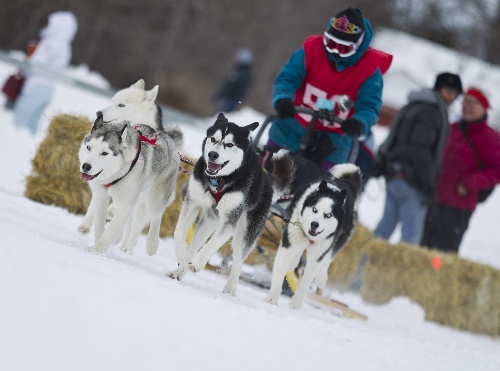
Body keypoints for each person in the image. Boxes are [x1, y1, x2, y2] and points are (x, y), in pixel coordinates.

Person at [264, 7, 392, 189]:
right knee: (269, 178)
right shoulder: (310, 52)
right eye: (331, 44)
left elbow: (370, 107)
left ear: (358, 46)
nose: (336, 53)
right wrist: (283, 98)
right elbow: (287, 78)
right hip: (292, 128)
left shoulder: (370, 72)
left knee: (315, 189)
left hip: (334, 141)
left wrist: (359, 122)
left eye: (344, 48)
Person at [371, 72, 463, 244]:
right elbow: (419, 150)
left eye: (455, 93)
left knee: (384, 230)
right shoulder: (431, 111)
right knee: (410, 238)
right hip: (412, 181)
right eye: (449, 90)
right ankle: (393, 271)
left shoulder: (414, 104)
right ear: (439, 87)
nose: (452, 96)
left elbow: (394, 138)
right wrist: (429, 183)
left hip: (394, 175)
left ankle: (362, 267)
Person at [421, 87, 500, 253]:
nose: (467, 106)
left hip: (458, 207)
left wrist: (470, 183)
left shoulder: (490, 137)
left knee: (443, 253)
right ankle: (417, 279)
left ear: (483, 108)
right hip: (434, 199)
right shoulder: (452, 128)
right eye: (465, 101)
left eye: (473, 102)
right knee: (421, 247)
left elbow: (496, 170)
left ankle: (438, 279)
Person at [14, 11, 78, 135]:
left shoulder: (51, 43)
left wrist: (30, 56)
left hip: (35, 86)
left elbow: (36, 63)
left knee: (21, 122)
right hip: (48, 89)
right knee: (32, 125)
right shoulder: (65, 47)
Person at [212, 48, 253, 113]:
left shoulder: (243, 74)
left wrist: (220, 95)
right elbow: (226, 86)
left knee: (220, 116)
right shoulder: (237, 71)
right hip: (228, 99)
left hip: (232, 100)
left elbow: (232, 87)